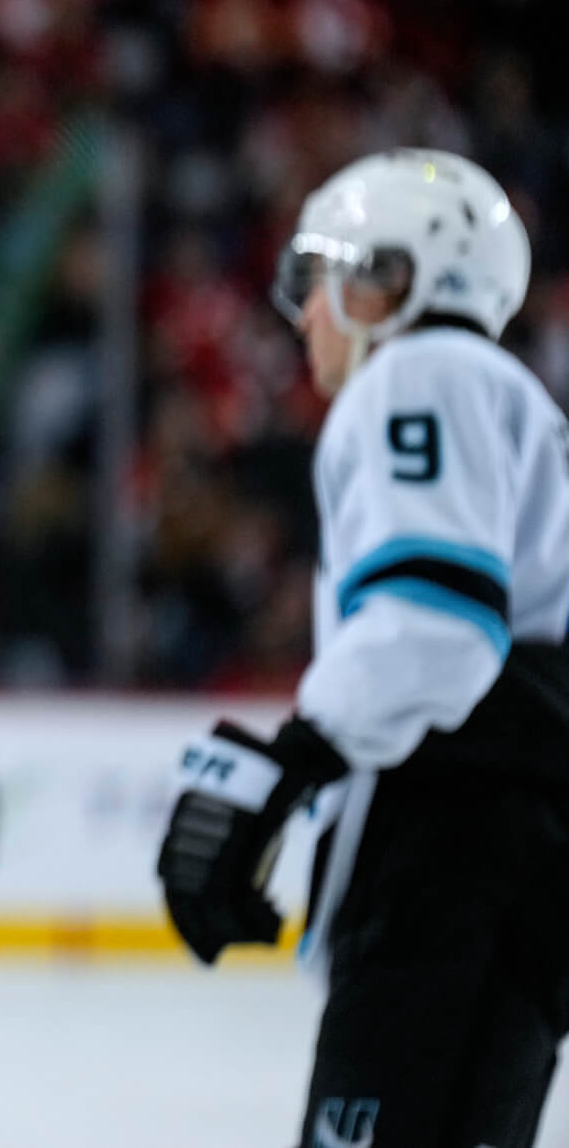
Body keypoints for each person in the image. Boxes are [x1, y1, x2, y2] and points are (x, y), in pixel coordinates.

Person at [157, 148, 569, 1148]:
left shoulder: (420, 374)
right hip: (517, 843)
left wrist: (291, 762)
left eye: (322, 278)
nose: (304, 313)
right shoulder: (512, 396)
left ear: (396, 276)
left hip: (455, 849)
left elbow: (435, 620)